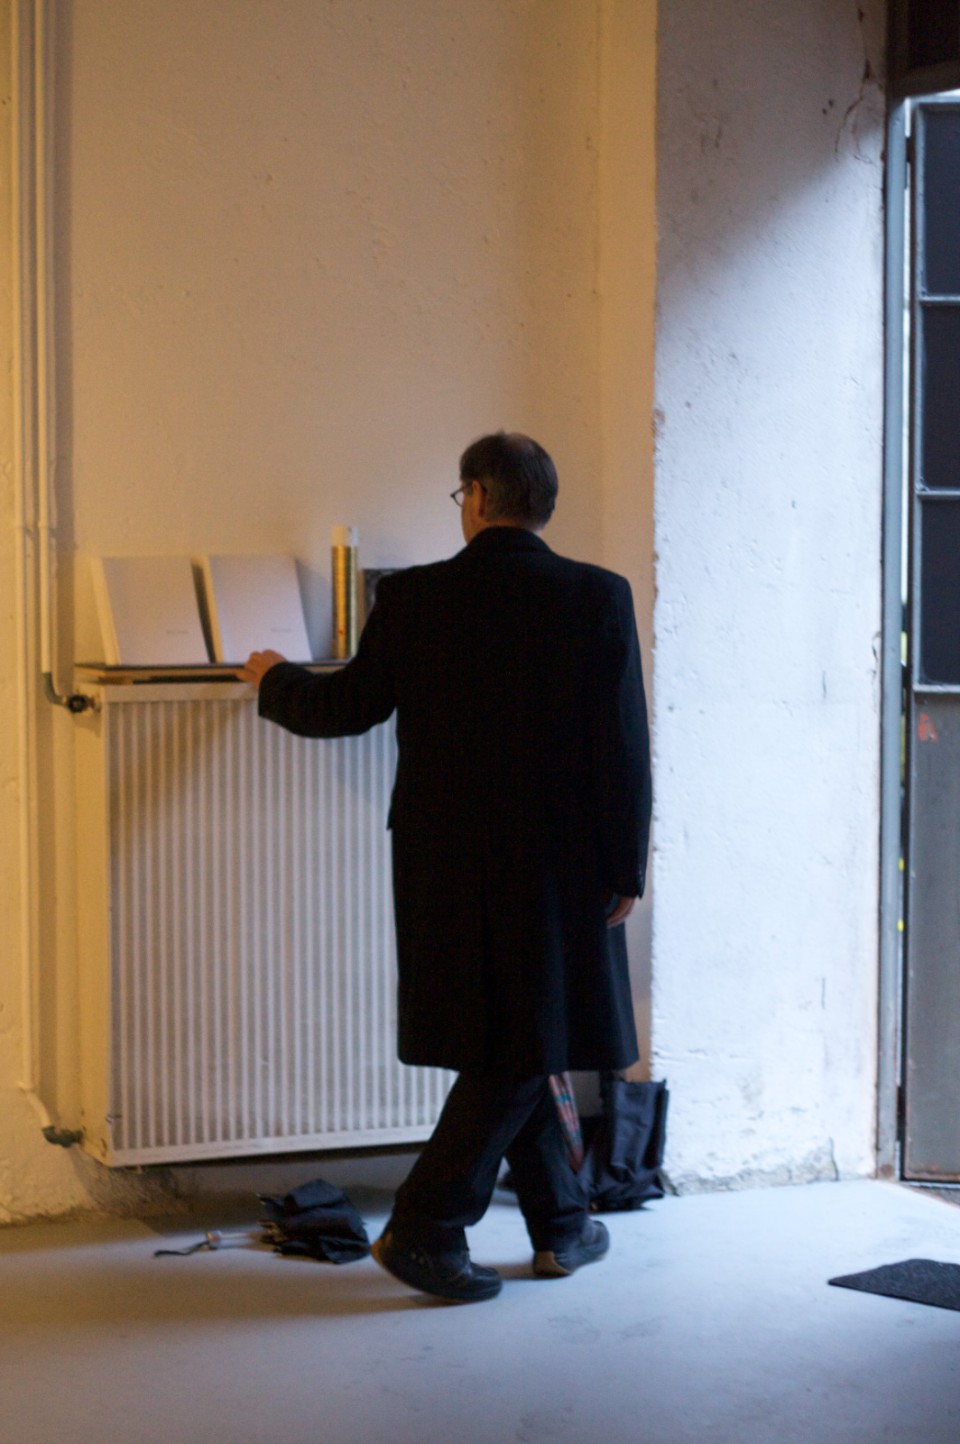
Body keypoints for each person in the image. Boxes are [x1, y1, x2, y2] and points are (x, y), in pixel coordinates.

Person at [239, 431, 652, 1304]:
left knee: (519, 1038)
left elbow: (346, 707)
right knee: (530, 1032)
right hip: (562, 867)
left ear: (476, 497)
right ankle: (547, 1226)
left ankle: (469, 1225)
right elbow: (622, 746)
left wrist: (274, 679)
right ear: (540, 506)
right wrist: (627, 867)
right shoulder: (598, 596)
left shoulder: (416, 597)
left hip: (449, 865)